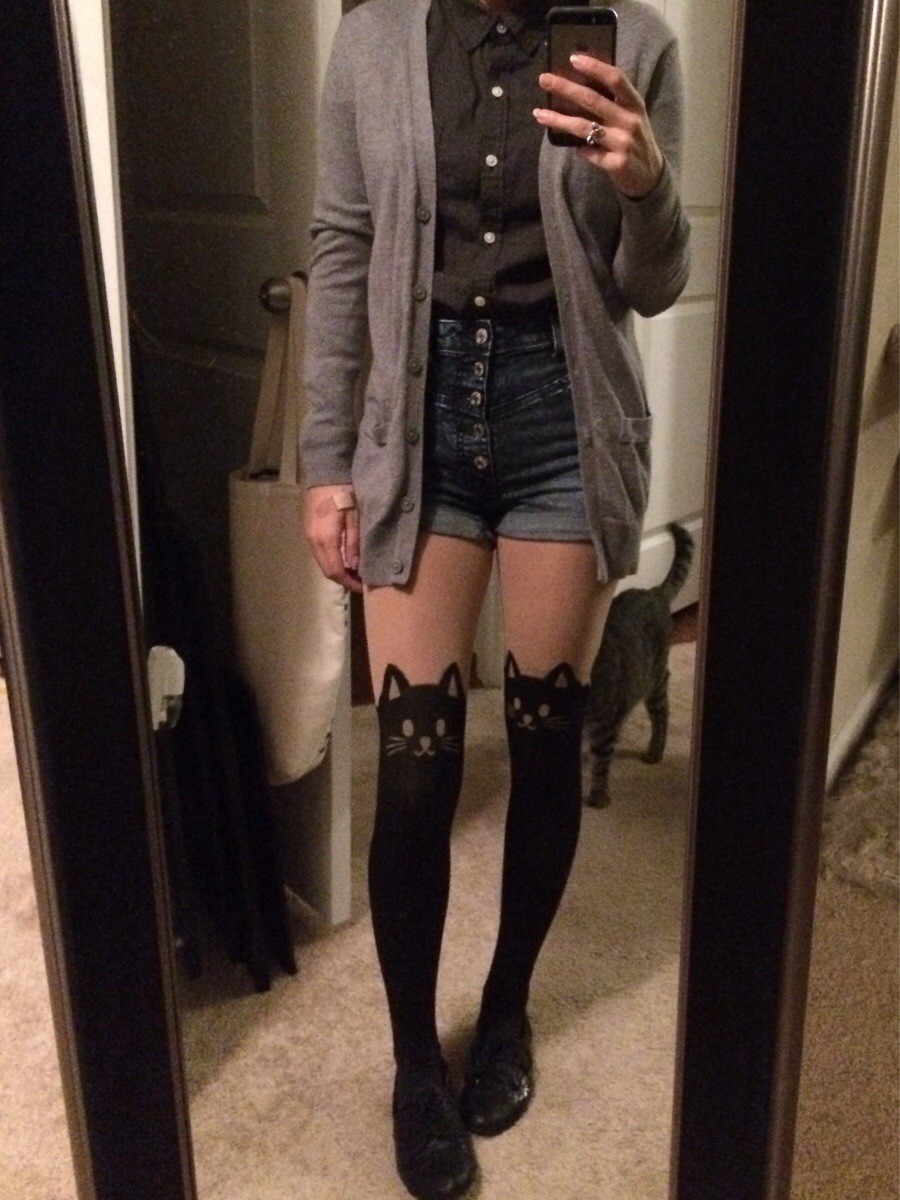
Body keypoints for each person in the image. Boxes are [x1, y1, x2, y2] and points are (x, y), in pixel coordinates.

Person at [300, 0, 690, 1195]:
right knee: (415, 769)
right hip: (418, 421)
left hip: (564, 420)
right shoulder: (374, 41)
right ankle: (416, 1063)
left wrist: (648, 188)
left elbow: (655, 286)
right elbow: (343, 246)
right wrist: (325, 461)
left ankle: (508, 1004)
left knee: (544, 740)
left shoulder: (637, 41)